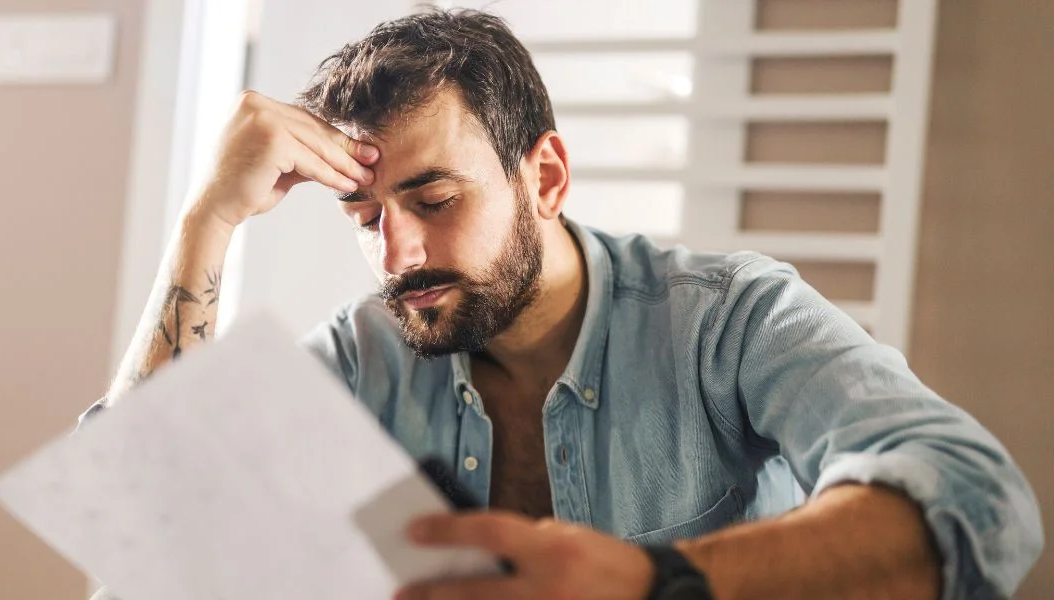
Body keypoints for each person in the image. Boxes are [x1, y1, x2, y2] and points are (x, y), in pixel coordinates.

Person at [81, 9, 1042, 600]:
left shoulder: (726, 320)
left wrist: (658, 586)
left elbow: (978, 498)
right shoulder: (364, 354)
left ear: (544, 175)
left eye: (434, 199)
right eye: (364, 213)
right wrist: (206, 220)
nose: (397, 253)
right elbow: (138, 534)